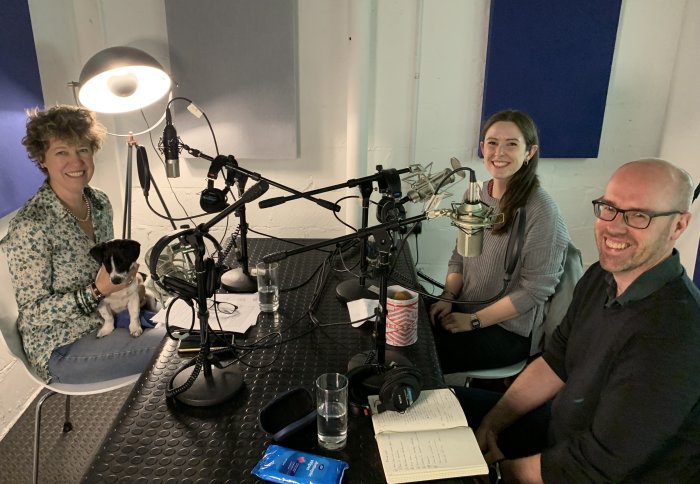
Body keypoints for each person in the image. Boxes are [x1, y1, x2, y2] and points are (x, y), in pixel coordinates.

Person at [456, 159, 699, 482]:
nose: (614, 226)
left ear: (679, 225)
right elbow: (555, 361)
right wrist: (492, 423)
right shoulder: (601, 276)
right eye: (609, 208)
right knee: (446, 407)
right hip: (562, 434)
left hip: (598, 473)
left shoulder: (676, 332)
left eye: (639, 215)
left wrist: (498, 473)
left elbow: (596, 465)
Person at [0, 105, 165, 384]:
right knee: (180, 347)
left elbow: (109, 268)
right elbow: (33, 313)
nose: (76, 162)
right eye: (62, 152)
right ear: (43, 159)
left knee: (196, 324)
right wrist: (95, 291)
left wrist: (128, 282)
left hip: (109, 318)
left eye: (83, 150)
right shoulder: (31, 226)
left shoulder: (98, 202)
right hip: (63, 345)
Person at [429, 110, 571, 372]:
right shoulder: (476, 194)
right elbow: (459, 257)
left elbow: (534, 291)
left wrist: (473, 321)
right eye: (492, 143)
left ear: (530, 152)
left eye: (512, 144)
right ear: (482, 147)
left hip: (506, 331)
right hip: (465, 308)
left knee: (421, 355)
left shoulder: (541, 210)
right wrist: (447, 297)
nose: (499, 152)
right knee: (401, 320)